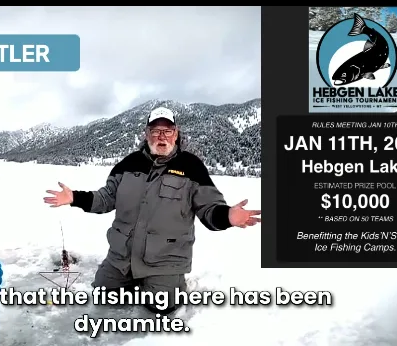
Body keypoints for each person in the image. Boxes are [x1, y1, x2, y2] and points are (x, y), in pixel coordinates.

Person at [43, 107, 261, 314]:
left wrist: (228, 216)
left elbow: (209, 207)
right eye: (155, 131)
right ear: (146, 134)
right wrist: (75, 198)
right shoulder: (128, 164)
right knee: (102, 296)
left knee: (161, 309)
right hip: (122, 258)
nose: (161, 136)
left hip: (164, 261)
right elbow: (106, 198)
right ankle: (133, 280)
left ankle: (167, 283)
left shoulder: (191, 166)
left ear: (176, 134)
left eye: (167, 131)